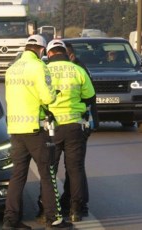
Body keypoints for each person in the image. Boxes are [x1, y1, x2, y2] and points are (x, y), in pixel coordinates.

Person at [3, 34, 72, 230]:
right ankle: (54, 219)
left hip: (16, 129)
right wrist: (55, 93)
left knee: (17, 176)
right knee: (47, 174)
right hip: (35, 128)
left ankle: (10, 220)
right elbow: (47, 97)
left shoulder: (12, 69)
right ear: (41, 50)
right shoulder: (39, 67)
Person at [40, 39, 96, 223]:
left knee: (50, 169)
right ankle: (75, 210)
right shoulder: (78, 70)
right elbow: (90, 97)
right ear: (65, 52)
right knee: (75, 169)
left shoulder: (44, 71)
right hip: (74, 126)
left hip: (52, 128)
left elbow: (39, 98)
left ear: (49, 54)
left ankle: (50, 210)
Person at [59, 42, 99, 217]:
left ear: (71, 56)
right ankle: (74, 203)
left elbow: (90, 98)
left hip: (77, 122)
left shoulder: (78, 70)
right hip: (78, 123)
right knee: (75, 167)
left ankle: (78, 204)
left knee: (74, 168)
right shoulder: (78, 69)